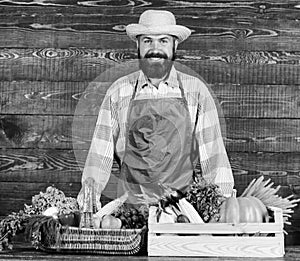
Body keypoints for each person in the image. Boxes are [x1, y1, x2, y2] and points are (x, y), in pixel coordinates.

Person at [77, 10, 234, 210]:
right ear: (138, 45)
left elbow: (214, 157)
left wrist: (223, 207)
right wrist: (88, 206)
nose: (155, 48)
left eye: (163, 41)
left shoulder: (196, 91)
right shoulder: (119, 91)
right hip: (131, 212)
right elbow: (99, 155)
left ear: (175, 45)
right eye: (148, 41)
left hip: (183, 213)